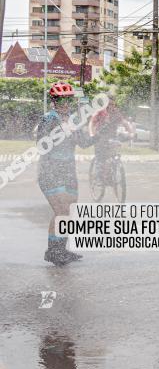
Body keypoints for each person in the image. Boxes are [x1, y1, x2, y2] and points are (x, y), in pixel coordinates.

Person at [36, 82, 87, 266]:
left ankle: (61, 249)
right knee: (60, 211)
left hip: (68, 172)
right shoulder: (49, 119)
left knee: (69, 212)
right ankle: (53, 252)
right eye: (61, 100)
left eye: (68, 100)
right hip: (51, 172)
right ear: (54, 101)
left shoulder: (73, 120)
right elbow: (41, 145)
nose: (65, 103)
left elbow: (84, 142)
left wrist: (101, 131)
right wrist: (60, 134)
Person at [88, 95, 134, 183]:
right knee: (100, 158)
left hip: (112, 137)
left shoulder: (116, 113)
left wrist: (131, 133)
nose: (111, 106)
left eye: (112, 104)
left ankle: (111, 173)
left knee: (113, 155)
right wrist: (91, 134)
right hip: (99, 138)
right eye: (109, 104)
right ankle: (98, 178)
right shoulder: (100, 112)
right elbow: (91, 123)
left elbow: (125, 123)